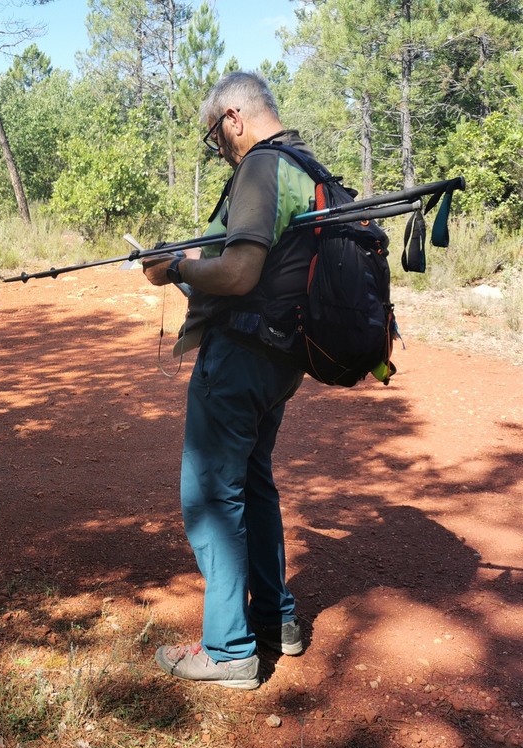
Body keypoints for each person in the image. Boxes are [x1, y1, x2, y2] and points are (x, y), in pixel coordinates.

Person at [141, 71, 319, 689]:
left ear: (235, 118)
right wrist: (188, 265)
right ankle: (277, 622)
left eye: (214, 134)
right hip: (282, 360)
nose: (216, 146)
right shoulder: (305, 166)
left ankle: (229, 650)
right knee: (254, 483)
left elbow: (241, 272)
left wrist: (177, 269)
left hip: (241, 356)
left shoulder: (261, 168)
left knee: (212, 496)